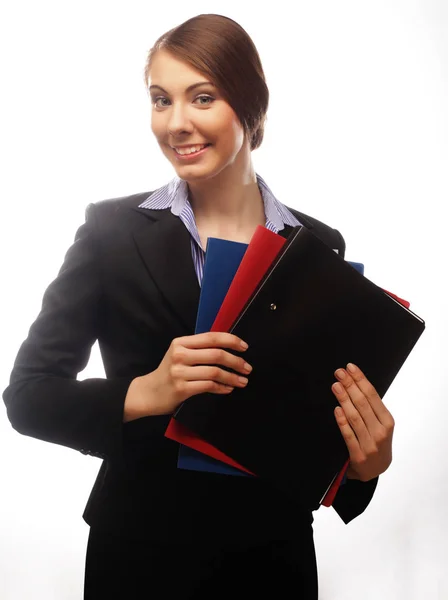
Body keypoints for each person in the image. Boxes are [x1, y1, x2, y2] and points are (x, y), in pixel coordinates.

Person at [2, 13, 395, 600]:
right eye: (161, 100)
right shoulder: (110, 232)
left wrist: (363, 467)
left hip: (274, 557)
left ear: (251, 104)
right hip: (140, 553)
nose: (177, 122)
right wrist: (144, 393)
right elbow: (28, 396)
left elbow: (309, 427)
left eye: (202, 97)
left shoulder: (318, 245)